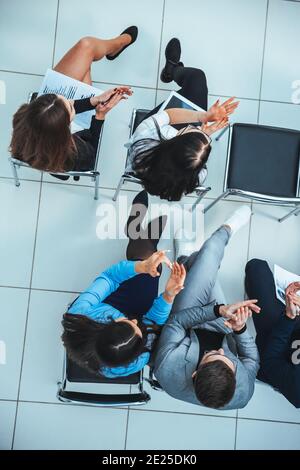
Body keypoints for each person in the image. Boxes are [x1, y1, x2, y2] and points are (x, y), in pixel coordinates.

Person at [62, 191, 186, 378]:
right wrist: (169, 295)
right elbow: (151, 322)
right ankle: (144, 239)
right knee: (155, 269)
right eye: (137, 328)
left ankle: (136, 233)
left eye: (128, 323)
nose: (136, 321)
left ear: (107, 323)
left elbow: (110, 278)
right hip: (134, 310)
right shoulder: (137, 360)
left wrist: (140, 267)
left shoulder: (81, 314)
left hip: (110, 303)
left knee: (146, 262)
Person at [154, 205, 261, 410]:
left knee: (209, 253)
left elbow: (176, 322)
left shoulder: (167, 368)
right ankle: (186, 258)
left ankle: (219, 235)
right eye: (228, 358)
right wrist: (240, 328)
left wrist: (217, 310)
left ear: (194, 373)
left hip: (186, 324)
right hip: (224, 327)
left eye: (213, 354)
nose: (221, 350)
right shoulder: (243, 393)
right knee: (204, 263)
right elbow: (251, 359)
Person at [10, 27, 137, 177]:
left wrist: (93, 101)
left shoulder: (21, 119)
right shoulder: (77, 153)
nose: (71, 100)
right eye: (71, 106)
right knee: (86, 53)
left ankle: (117, 45)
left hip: (47, 148)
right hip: (63, 159)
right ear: (66, 127)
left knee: (86, 51)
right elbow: (91, 149)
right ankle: (118, 44)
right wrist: (100, 116)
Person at [125, 37, 239, 201]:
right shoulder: (197, 177)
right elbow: (193, 157)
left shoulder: (145, 138)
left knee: (197, 78)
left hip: (155, 142)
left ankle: (172, 70)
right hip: (165, 163)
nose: (196, 126)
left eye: (190, 129)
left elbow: (170, 115)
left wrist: (203, 117)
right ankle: (171, 71)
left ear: (175, 140)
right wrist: (205, 133)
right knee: (197, 82)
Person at [245, 259, 300, 408]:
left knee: (256, 268)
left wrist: (289, 317)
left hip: (275, 343)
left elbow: (271, 360)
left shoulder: (298, 392)